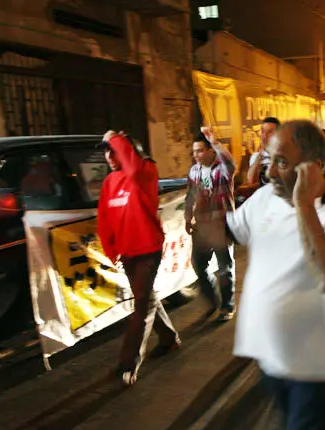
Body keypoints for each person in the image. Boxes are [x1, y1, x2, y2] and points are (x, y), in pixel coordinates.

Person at [201, 120, 325, 430]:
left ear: (314, 166)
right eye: (270, 160)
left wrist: (304, 204)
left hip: (314, 360)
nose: (271, 171)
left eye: (282, 162)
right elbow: (230, 230)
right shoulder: (265, 198)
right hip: (269, 354)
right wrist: (199, 222)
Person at [97, 130, 181, 387]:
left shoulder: (145, 171)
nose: (110, 156)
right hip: (128, 253)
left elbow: (132, 170)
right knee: (147, 297)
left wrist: (116, 138)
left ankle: (128, 363)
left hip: (148, 250)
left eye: (114, 149)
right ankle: (168, 338)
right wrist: (112, 250)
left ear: (128, 149)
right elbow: (104, 218)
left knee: (142, 305)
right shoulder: (110, 182)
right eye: (106, 150)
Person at [185, 129, 237, 321]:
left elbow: (231, 162)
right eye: (194, 151)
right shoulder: (194, 171)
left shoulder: (222, 170)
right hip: (202, 227)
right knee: (198, 264)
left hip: (221, 224)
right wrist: (187, 217)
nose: (196, 155)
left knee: (225, 268)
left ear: (210, 151)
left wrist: (215, 141)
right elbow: (190, 195)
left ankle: (227, 307)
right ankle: (213, 300)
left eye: (200, 150)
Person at [247, 117, 281, 186]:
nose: (264, 135)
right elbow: (251, 181)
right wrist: (260, 154)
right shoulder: (256, 156)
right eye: (263, 131)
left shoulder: (287, 155)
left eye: (270, 132)